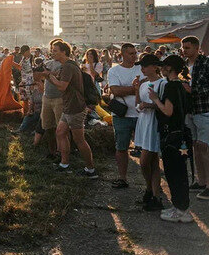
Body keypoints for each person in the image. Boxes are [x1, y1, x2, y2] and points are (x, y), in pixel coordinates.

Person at [45, 40, 98, 178]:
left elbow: (62, 86)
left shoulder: (68, 67)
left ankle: (91, 170)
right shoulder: (67, 65)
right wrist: (50, 77)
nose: (52, 52)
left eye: (55, 50)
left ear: (64, 52)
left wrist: (50, 77)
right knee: (60, 132)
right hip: (69, 106)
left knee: (79, 140)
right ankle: (64, 164)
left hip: (75, 107)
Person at [151, 55, 194, 223]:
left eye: (163, 66)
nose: (161, 69)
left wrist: (155, 99)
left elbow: (168, 111)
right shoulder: (182, 86)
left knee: (174, 173)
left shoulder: (171, 86)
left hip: (171, 136)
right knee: (180, 173)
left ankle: (181, 210)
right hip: (181, 134)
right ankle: (180, 207)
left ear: (169, 68)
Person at [181, 35, 209, 200]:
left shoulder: (207, 63)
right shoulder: (184, 65)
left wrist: (193, 90)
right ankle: (201, 181)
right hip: (191, 111)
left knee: (206, 147)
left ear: (197, 48)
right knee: (196, 147)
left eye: (188, 48)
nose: (184, 51)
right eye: (183, 48)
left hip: (206, 110)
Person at [106, 43, 143, 189]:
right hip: (122, 114)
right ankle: (122, 177)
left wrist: (129, 89)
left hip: (141, 114)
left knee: (147, 149)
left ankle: (151, 180)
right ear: (122, 54)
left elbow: (147, 87)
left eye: (135, 53)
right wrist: (135, 88)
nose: (134, 56)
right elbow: (115, 90)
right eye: (131, 53)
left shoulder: (141, 68)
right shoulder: (114, 71)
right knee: (121, 147)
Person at [133, 54, 166, 211]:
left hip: (154, 124)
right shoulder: (143, 84)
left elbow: (164, 106)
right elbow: (138, 104)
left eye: (145, 66)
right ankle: (153, 193)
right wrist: (136, 91)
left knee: (145, 161)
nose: (142, 69)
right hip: (144, 122)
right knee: (152, 163)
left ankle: (152, 191)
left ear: (154, 67)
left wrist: (150, 105)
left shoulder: (162, 83)